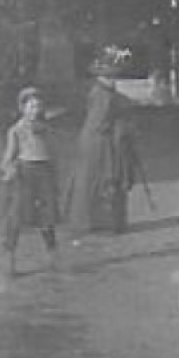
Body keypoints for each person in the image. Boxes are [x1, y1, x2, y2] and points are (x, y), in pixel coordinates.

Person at [65, 52, 140, 234]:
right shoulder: (102, 95)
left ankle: (106, 221)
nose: (112, 80)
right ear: (99, 77)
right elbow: (100, 122)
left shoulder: (107, 93)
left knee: (103, 179)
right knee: (105, 178)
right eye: (108, 76)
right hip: (100, 144)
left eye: (114, 76)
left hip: (101, 141)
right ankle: (101, 222)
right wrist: (121, 125)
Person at [0, 86, 60, 279]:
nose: (35, 110)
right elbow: (8, 157)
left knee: (47, 217)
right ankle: (10, 262)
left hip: (44, 173)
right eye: (31, 106)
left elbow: (53, 153)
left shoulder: (46, 129)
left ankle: (53, 258)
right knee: (16, 217)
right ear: (22, 108)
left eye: (38, 107)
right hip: (25, 174)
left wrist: (56, 176)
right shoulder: (16, 130)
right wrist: (9, 170)